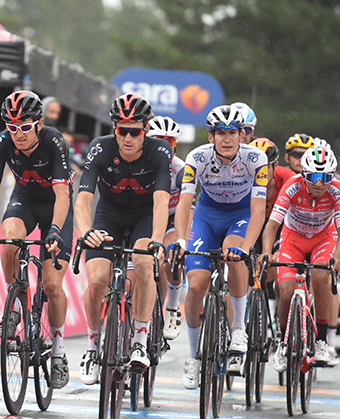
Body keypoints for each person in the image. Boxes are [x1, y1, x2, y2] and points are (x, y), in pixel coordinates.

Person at [0, 90, 73, 389]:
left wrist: (55, 229)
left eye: (25, 127)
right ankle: (14, 308)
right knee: (11, 238)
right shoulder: (4, 141)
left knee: (52, 285)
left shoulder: (54, 141)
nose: (18, 134)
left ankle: (57, 351)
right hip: (25, 201)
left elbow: (63, 193)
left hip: (56, 206)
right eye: (12, 126)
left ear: (38, 124)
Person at [75, 93, 171, 385]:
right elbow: (82, 199)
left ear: (146, 129)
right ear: (114, 127)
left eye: (135, 131)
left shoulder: (160, 151)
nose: (128, 138)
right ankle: (93, 347)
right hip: (110, 216)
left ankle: (140, 340)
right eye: (122, 130)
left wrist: (156, 239)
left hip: (144, 216)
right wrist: (86, 231)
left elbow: (161, 202)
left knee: (143, 265)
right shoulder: (100, 148)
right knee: (96, 282)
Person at [170, 104, 268, 389]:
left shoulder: (256, 158)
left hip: (240, 216)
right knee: (197, 284)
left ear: (241, 135)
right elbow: (185, 203)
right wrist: (180, 239)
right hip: (206, 217)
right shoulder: (197, 157)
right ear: (211, 136)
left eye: (233, 132)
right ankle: (193, 356)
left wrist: (248, 246)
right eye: (221, 133)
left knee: (235, 257)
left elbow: (259, 211)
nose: (227, 138)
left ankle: (238, 329)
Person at [258, 146, 340, 372]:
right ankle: (282, 341)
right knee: (286, 292)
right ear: (303, 175)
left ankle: (321, 342)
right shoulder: (292, 186)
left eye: (325, 177)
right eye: (313, 177)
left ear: (332, 176)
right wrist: (268, 253)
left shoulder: (337, 190)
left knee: (320, 277)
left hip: (323, 239)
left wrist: (336, 259)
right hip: (293, 239)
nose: (319, 183)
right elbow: (272, 226)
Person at [145, 115, 188, 341]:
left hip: (172, 219)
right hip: (146, 219)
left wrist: (182, 238)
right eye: (159, 141)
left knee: (172, 254)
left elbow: (188, 208)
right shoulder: (140, 165)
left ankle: (171, 307)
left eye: (170, 143)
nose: (165, 148)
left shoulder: (181, 169)